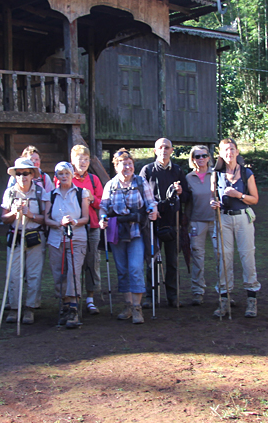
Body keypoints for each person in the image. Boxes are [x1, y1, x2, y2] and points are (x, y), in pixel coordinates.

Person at [98, 149, 158, 324]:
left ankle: (137, 308)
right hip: (117, 233)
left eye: (130, 164)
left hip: (136, 231)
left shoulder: (141, 182)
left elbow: (151, 202)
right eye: (124, 165)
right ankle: (128, 305)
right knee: (122, 269)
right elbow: (103, 206)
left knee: (135, 268)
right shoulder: (111, 185)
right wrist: (102, 218)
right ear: (116, 167)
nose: (128, 168)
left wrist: (153, 211)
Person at [210, 138, 261, 318]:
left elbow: (254, 199)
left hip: (242, 218)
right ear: (221, 154)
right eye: (225, 150)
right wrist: (213, 203)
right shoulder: (216, 174)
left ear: (237, 152)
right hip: (223, 218)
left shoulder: (247, 173)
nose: (229, 152)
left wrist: (238, 195)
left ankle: (251, 299)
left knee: (247, 255)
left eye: (232, 149)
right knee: (224, 258)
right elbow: (212, 196)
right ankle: (224, 298)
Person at [140, 138, 191, 307]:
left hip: (173, 222)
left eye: (167, 147)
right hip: (153, 223)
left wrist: (181, 191)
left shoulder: (177, 170)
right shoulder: (147, 171)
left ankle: (173, 296)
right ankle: (150, 296)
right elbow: (140, 197)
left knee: (172, 262)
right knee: (152, 261)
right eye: (160, 147)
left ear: (172, 150)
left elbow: (186, 198)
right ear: (155, 151)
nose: (163, 150)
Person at [1, 157, 48, 325]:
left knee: (34, 274)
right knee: (14, 274)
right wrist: (13, 213)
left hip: (35, 236)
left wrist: (30, 214)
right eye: (18, 173)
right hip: (15, 235)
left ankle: (30, 308)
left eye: (26, 173)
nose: (22, 177)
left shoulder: (40, 192)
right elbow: (4, 218)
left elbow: (46, 218)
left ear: (32, 174)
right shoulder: (10, 192)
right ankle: (15, 308)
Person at [46, 162, 91, 328]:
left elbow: (86, 218)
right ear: (56, 176)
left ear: (72, 174)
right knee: (59, 272)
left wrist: (74, 221)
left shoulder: (81, 193)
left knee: (73, 271)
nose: (64, 176)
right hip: (56, 239)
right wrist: (59, 223)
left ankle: (73, 307)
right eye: (60, 174)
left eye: (67, 173)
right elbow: (46, 219)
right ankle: (64, 305)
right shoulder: (50, 195)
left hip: (77, 237)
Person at [70, 144, 104, 315]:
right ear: (72, 160)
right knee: (74, 263)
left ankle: (90, 298)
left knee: (92, 262)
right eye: (79, 159)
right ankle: (74, 298)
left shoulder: (93, 180)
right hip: (75, 227)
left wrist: (92, 199)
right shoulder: (66, 177)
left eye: (85, 159)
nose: (82, 162)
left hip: (91, 226)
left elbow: (102, 202)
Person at [184, 145, 218, 306]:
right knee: (197, 256)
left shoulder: (216, 175)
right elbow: (186, 201)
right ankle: (198, 291)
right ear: (192, 159)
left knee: (221, 255)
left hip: (217, 220)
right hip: (197, 220)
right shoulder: (188, 178)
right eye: (197, 156)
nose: (201, 159)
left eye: (204, 155)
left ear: (209, 157)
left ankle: (224, 290)